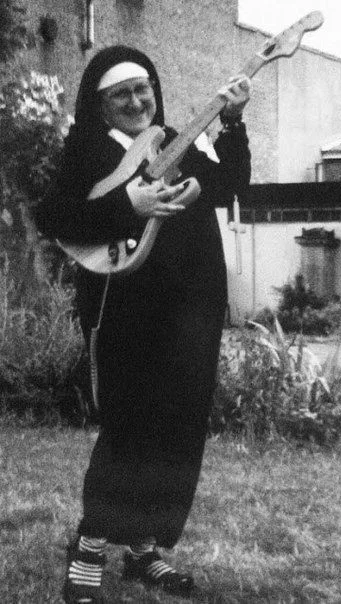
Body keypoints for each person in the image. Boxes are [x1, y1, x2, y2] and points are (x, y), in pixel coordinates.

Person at [34, 45, 251, 603]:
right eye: (120, 95)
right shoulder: (86, 150)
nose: (136, 102)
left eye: (142, 89)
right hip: (125, 307)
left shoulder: (178, 138)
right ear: (100, 104)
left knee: (178, 429)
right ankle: (88, 549)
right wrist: (129, 204)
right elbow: (54, 216)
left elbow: (228, 186)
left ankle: (144, 551)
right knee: (130, 427)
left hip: (192, 307)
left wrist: (233, 123)